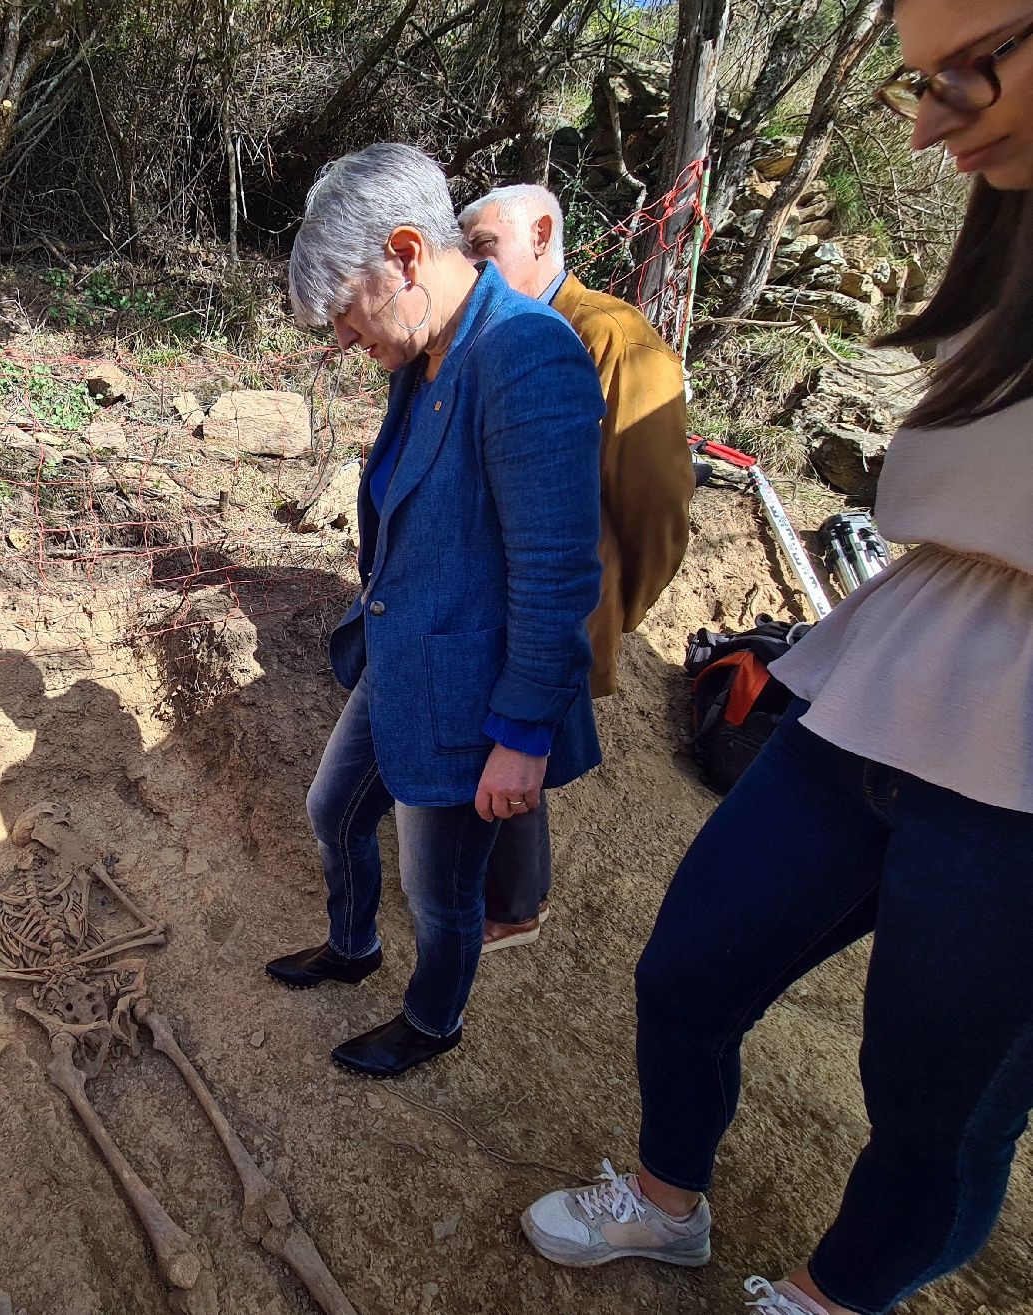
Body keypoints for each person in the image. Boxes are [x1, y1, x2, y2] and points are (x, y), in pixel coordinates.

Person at [522, 2, 1033, 1311]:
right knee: (688, 965)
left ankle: (827, 1293)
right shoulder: (1013, 261)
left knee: (935, 1104)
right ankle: (665, 1198)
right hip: (876, 688)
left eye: (962, 77)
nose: (924, 124)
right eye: (910, 85)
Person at [264, 144, 606, 1078]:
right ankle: (352, 945)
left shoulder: (526, 354)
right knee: (333, 807)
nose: (343, 339)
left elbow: (556, 568)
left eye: (345, 312)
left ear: (406, 254)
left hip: (475, 687)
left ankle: (432, 1017)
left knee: (442, 886)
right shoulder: (424, 355)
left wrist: (523, 730)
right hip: (402, 655)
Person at [458, 184, 695, 954]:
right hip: (508, 583)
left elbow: (657, 505)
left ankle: (514, 905)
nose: (472, 266)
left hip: (560, 594)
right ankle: (497, 888)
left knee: (523, 725)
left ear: (543, 231)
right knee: (505, 722)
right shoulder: (499, 329)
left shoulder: (614, 339)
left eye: (484, 248)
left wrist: (608, 612)